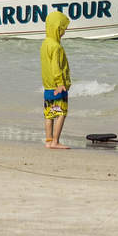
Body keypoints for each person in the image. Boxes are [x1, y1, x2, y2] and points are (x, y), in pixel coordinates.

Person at [41, 10, 72, 149]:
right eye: (63, 29)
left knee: (49, 114)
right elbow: (56, 67)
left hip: (47, 86)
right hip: (57, 86)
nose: (64, 32)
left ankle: (48, 140)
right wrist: (60, 83)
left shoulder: (45, 44)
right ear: (56, 28)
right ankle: (55, 141)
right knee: (61, 114)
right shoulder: (56, 47)